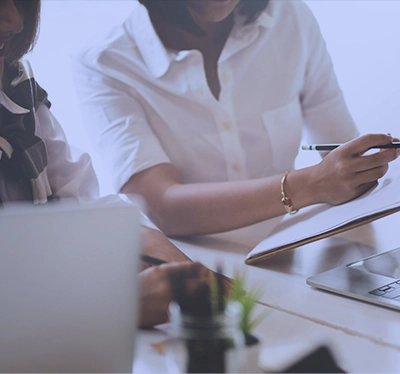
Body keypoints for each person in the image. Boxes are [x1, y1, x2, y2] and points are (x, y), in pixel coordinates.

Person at [73, 0, 399, 238]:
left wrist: (361, 170)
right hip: (194, 271)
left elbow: (348, 165)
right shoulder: (105, 64)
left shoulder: (291, 19)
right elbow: (163, 206)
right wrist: (312, 184)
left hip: (294, 255)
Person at [0, 0, 215, 328]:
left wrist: (162, 254)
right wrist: (106, 309)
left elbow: (83, 209)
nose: (14, 20)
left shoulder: (16, 84)